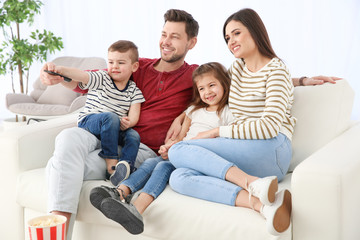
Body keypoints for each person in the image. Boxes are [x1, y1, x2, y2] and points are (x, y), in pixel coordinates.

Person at [41, 9, 198, 239]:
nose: (166, 42)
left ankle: (56, 233)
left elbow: (216, 96)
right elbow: (93, 80)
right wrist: (59, 77)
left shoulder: (194, 74)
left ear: (191, 42)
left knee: (58, 167)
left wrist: (187, 112)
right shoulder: (138, 66)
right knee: (67, 137)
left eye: (175, 36)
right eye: (164, 34)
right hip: (107, 133)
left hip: (138, 151)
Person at [168, 8, 296, 236]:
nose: (231, 41)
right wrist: (183, 116)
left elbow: (268, 127)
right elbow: (211, 89)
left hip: (272, 149)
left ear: (255, 32)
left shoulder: (277, 70)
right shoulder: (237, 69)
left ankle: (251, 182)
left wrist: (216, 131)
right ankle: (262, 205)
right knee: (179, 177)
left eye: (236, 33)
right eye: (228, 38)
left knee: (178, 151)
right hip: (243, 150)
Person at [89, 61, 235, 235]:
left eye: (212, 85)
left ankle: (137, 208)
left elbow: (227, 141)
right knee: (152, 162)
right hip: (180, 152)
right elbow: (181, 137)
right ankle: (120, 192)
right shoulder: (193, 110)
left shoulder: (227, 112)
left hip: (198, 159)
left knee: (162, 166)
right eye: (202, 88)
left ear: (224, 84)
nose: (207, 92)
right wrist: (168, 147)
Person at [45, 40, 145, 185]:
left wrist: (129, 122)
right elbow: (82, 75)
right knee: (110, 118)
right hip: (91, 121)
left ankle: (125, 167)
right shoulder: (102, 77)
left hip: (113, 128)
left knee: (133, 135)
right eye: (111, 62)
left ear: (134, 67)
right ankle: (111, 167)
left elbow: (134, 115)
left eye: (121, 63)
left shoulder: (134, 90)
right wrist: (61, 70)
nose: (114, 67)